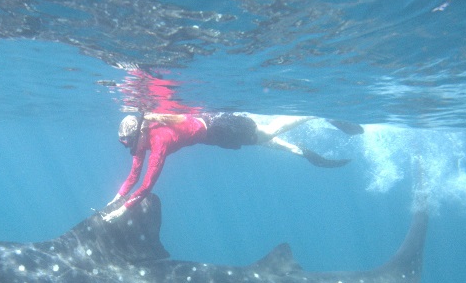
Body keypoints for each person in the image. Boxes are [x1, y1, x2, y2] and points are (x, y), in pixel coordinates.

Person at [101, 72, 364, 222]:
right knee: (262, 139)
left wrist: (122, 211)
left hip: (221, 129)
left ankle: (316, 112)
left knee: (268, 133)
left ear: (142, 133)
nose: (135, 150)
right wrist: (114, 200)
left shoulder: (160, 141)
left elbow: (147, 185)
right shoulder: (143, 136)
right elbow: (134, 175)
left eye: (134, 144)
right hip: (214, 131)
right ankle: (303, 152)